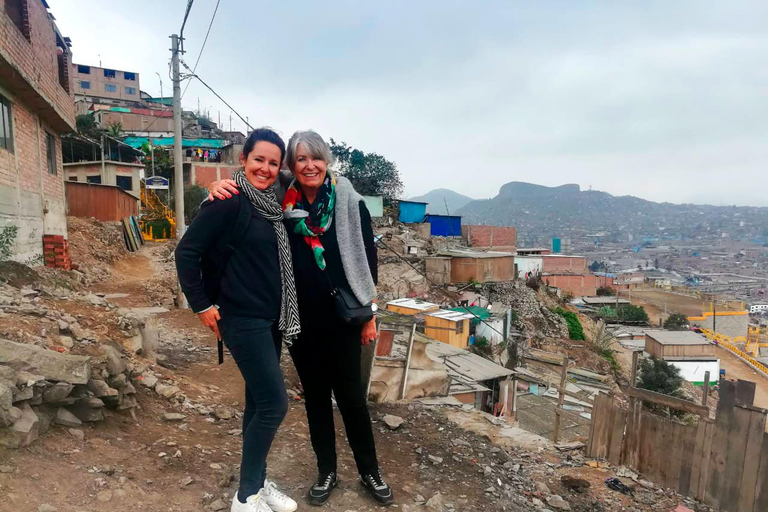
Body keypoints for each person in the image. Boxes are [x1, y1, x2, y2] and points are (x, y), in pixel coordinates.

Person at [207, 130, 394, 507]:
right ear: (292, 166)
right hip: (299, 320)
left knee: (353, 399)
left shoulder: (348, 202)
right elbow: (245, 190)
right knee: (315, 400)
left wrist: (370, 314)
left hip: (344, 317)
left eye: (317, 158)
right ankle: (327, 471)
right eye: (301, 159)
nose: (310, 166)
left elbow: (367, 263)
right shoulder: (281, 198)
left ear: (327, 162)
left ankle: (369, 471)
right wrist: (216, 186)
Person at [175, 128, 300, 512]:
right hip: (241, 319)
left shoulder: (273, 201)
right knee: (275, 405)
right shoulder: (227, 201)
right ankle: (245, 500)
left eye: (273, 163)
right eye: (258, 159)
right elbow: (186, 252)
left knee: (257, 403)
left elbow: (315, 175)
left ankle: (256, 483)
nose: (265, 168)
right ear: (243, 159)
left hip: (270, 319)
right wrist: (201, 305)